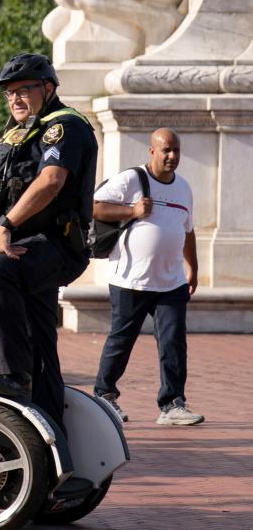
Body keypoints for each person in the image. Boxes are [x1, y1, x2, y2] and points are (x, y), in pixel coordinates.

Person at [0, 52, 96, 419]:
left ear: (48, 88)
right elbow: (2, 186)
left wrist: (5, 224)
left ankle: (15, 376)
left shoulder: (64, 127)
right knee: (40, 343)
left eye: (24, 90)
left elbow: (51, 181)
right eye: (9, 93)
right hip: (31, 246)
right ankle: (52, 435)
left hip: (56, 244)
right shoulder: (21, 132)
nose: (15, 99)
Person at [91, 128, 204, 426]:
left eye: (176, 150)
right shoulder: (132, 180)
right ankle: (104, 396)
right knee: (121, 340)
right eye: (166, 150)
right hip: (130, 279)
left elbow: (188, 229)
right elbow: (94, 207)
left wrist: (192, 266)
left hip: (171, 281)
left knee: (173, 342)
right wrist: (132, 210)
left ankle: (172, 404)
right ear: (152, 151)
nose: (172, 156)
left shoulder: (184, 188)